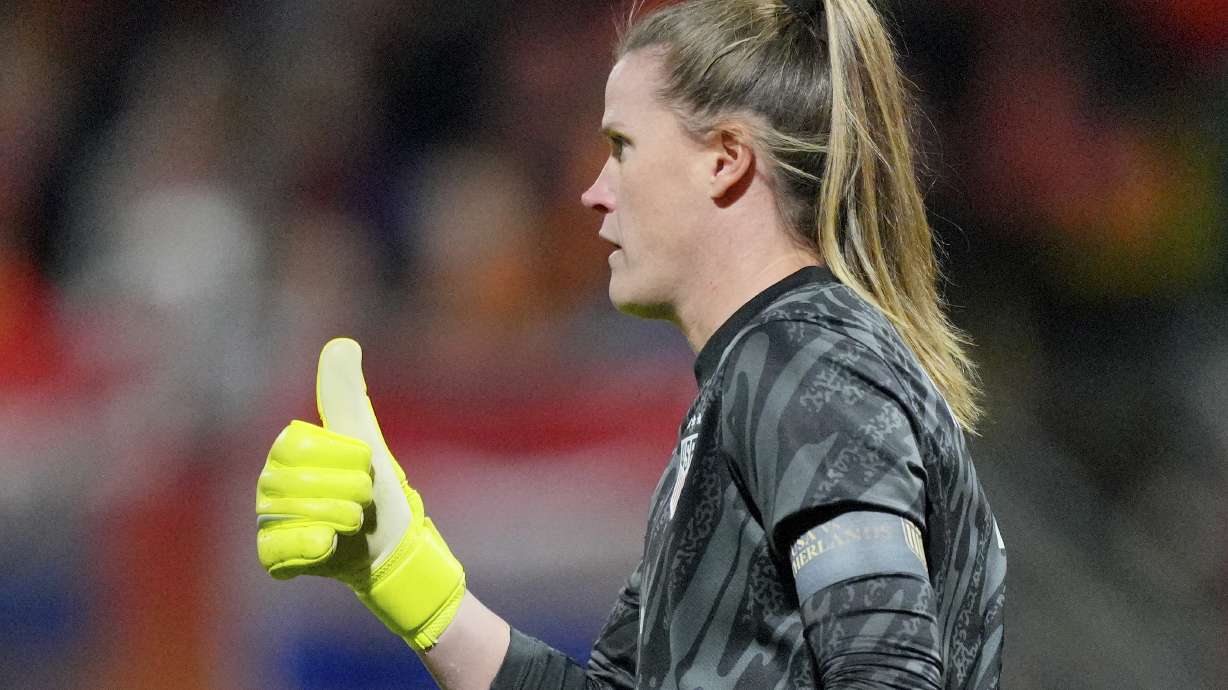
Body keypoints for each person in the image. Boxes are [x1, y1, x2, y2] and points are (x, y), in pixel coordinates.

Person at [254, 0, 1007, 687]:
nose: (595, 191)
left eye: (622, 146)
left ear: (726, 159)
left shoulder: (806, 368)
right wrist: (409, 577)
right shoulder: (745, 390)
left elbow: (889, 676)